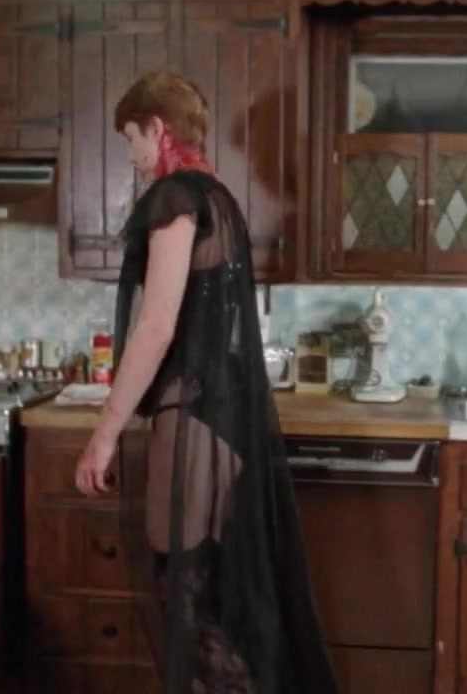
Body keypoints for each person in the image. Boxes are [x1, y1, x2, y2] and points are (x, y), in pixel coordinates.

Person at [73, 71, 338, 694]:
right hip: (227, 419)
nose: (132, 156)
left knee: (187, 605)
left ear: (157, 128)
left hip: (190, 417)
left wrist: (105, 432)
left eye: (131, 139)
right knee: (213, 603)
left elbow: (156, 327)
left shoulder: (175, 199)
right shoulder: (219, 200)